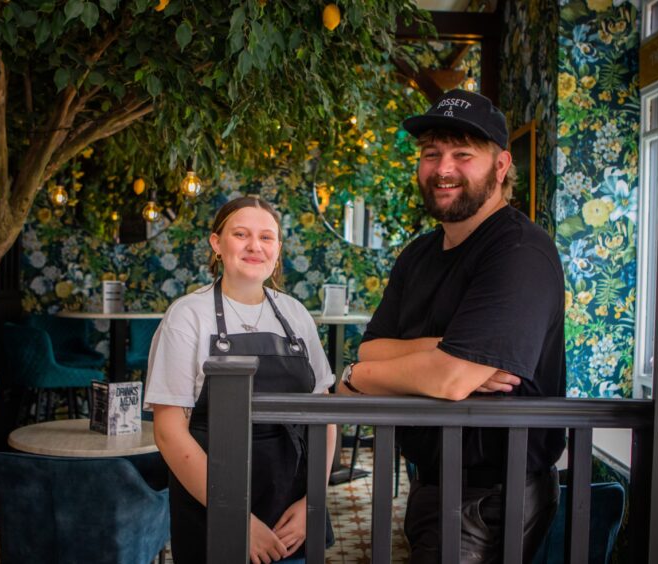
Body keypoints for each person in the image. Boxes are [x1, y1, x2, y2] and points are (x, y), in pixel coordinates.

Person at [337, 89, 566, 563]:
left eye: (463, 155)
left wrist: (361, 380)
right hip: (433, 483)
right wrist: (444, 349)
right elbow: (371, 349)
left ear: (501, 166)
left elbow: (449, 378)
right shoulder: (419, 254)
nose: (443, 169)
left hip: (491, 498)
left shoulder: (519, 251)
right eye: (431, 155)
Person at [144, 196, 337, 564]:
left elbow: (323, 414)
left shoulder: (295, 315)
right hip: (212, 503)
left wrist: (313, 500)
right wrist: (235, 516)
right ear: (217, 244)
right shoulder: (188, 316)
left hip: (290, 512)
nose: (255, 246)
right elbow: (169, 432)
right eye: (241, 234)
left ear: (278, 249)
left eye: (267, 237)